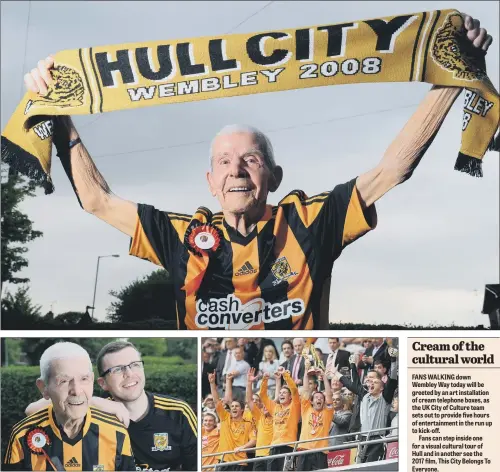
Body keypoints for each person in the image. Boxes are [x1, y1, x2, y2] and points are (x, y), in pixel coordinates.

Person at [23, 14, 492, 330]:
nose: (237, 170)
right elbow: (96, 200)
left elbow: (393, 168)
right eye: (224, 162)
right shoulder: (182, 235)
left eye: (251, 158)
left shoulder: (311, 221)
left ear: (274, 175)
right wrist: (57, 111)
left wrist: (451, 77)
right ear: (210, 182)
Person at [24, 340, 198, 471]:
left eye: (134, 365)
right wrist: (91, 400)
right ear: (102, 383)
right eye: (117, 369)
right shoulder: (91, 411)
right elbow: (31, 410)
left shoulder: (178, 412)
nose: (129, 374)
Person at [4, 342, 135, 471]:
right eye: (64, 381)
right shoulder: (21, 436)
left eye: (84, 379)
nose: (77, 391)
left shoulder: (117, 433)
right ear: (44, 387)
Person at [208, 372, 256, 471]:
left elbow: (254, 440)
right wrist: (212, 383)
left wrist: (242, 447)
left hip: (240, 462)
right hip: (224, 460)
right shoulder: (225, 418)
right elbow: (217, 401)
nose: (234, 408)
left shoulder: (248, 423)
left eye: (237, 406)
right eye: (232, 406)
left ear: (242, 410)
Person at [296, 359, 335, 471]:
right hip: (304, 450)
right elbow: (306, 390)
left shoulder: (327, 413)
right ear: (311, 401)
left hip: (320, 452)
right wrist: (306, 372)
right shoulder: (306, 409)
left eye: (321, 398)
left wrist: (323, 376)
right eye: (316, 397)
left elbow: (328, 394)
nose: (319, 399)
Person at [260, 367, 301, 472]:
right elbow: (263, 396)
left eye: (284, 393)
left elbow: (295, 391)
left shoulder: (294, 406)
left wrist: (285, 376)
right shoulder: (275, 407)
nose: (281, 394)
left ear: (290, 397)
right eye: (280, 392)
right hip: (273, 446)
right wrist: (264, 380)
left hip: (288, 445)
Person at [247, 368, 274, 471]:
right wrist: (249, 383)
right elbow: (249, 401)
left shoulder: (277, 416)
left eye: (269, 405)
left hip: (272, 454)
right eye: (264, 405)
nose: (266, 407)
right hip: (259, 454)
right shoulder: (260, 416)